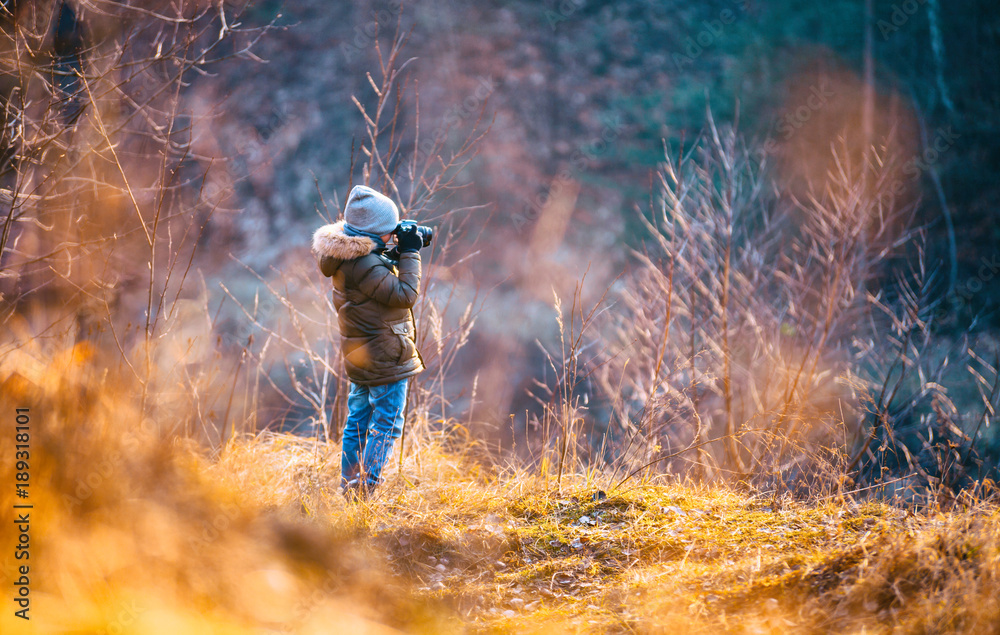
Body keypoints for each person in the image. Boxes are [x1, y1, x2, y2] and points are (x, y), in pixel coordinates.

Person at [312, 185, 425, 499]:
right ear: (375, 234)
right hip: (385, 355)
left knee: (358, 420)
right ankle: (366, 490)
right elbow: (406, 295)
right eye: (390, 232)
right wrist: (410, 252)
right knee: (387, 421)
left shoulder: (347, 257)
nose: (394, 236)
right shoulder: (368, 265)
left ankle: (350, 489)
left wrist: (389, 251)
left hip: (360, 354)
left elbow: (372, 280)